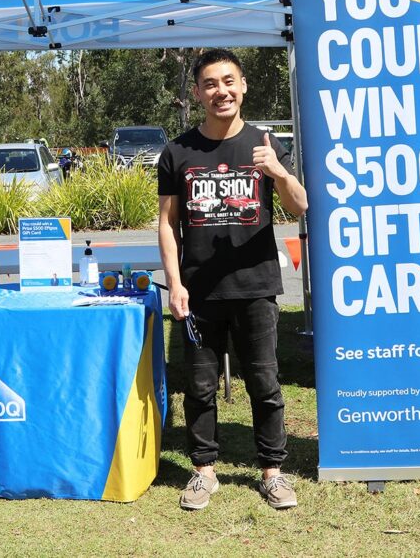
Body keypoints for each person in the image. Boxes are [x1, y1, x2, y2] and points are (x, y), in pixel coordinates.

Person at [157, 48, 308, 511]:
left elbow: (300, 206)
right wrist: (176, 282)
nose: (220, 91)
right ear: (198, 92)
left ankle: (272, 472)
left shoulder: (265, 144)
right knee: (200, 387)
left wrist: (278, 171)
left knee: (265, 383)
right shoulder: (178, 151)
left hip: (256, 287)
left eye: (228, 81)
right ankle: (203, 471)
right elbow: (166, 223)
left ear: (242, 87)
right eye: (210, 84)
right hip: (200, 291)